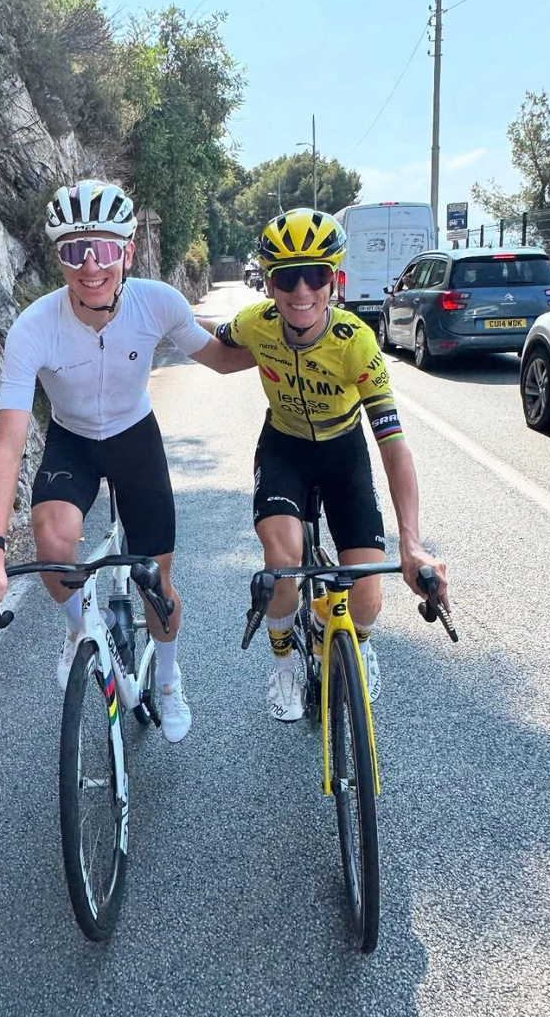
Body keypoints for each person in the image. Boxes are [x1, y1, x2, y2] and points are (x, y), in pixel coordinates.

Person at [0, 180, 253, 743]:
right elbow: (9, 442)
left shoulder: (158, 303)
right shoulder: (33, 328)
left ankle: (167, 679)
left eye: (104, 248)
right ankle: (78, 631)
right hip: (72, 441)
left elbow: (220, 357)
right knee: (53, 545)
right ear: (59, 259)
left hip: (133, 438)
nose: (91, 266)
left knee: (157, 587)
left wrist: (291, 338)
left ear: (128, 247)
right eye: (74, 250)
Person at [215, 208, 450, 722]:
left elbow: (393, 445)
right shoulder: (255, 324)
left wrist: (411, 542)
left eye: (316, 274)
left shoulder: (356, 342)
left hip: (344, 452)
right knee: (283, 562)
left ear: (333, 278)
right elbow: (213, 343)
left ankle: (350, 640)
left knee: (367, 596)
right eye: (287, 277)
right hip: (284, 448)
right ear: (270, 285)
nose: (302, 290)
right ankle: (282, 668)